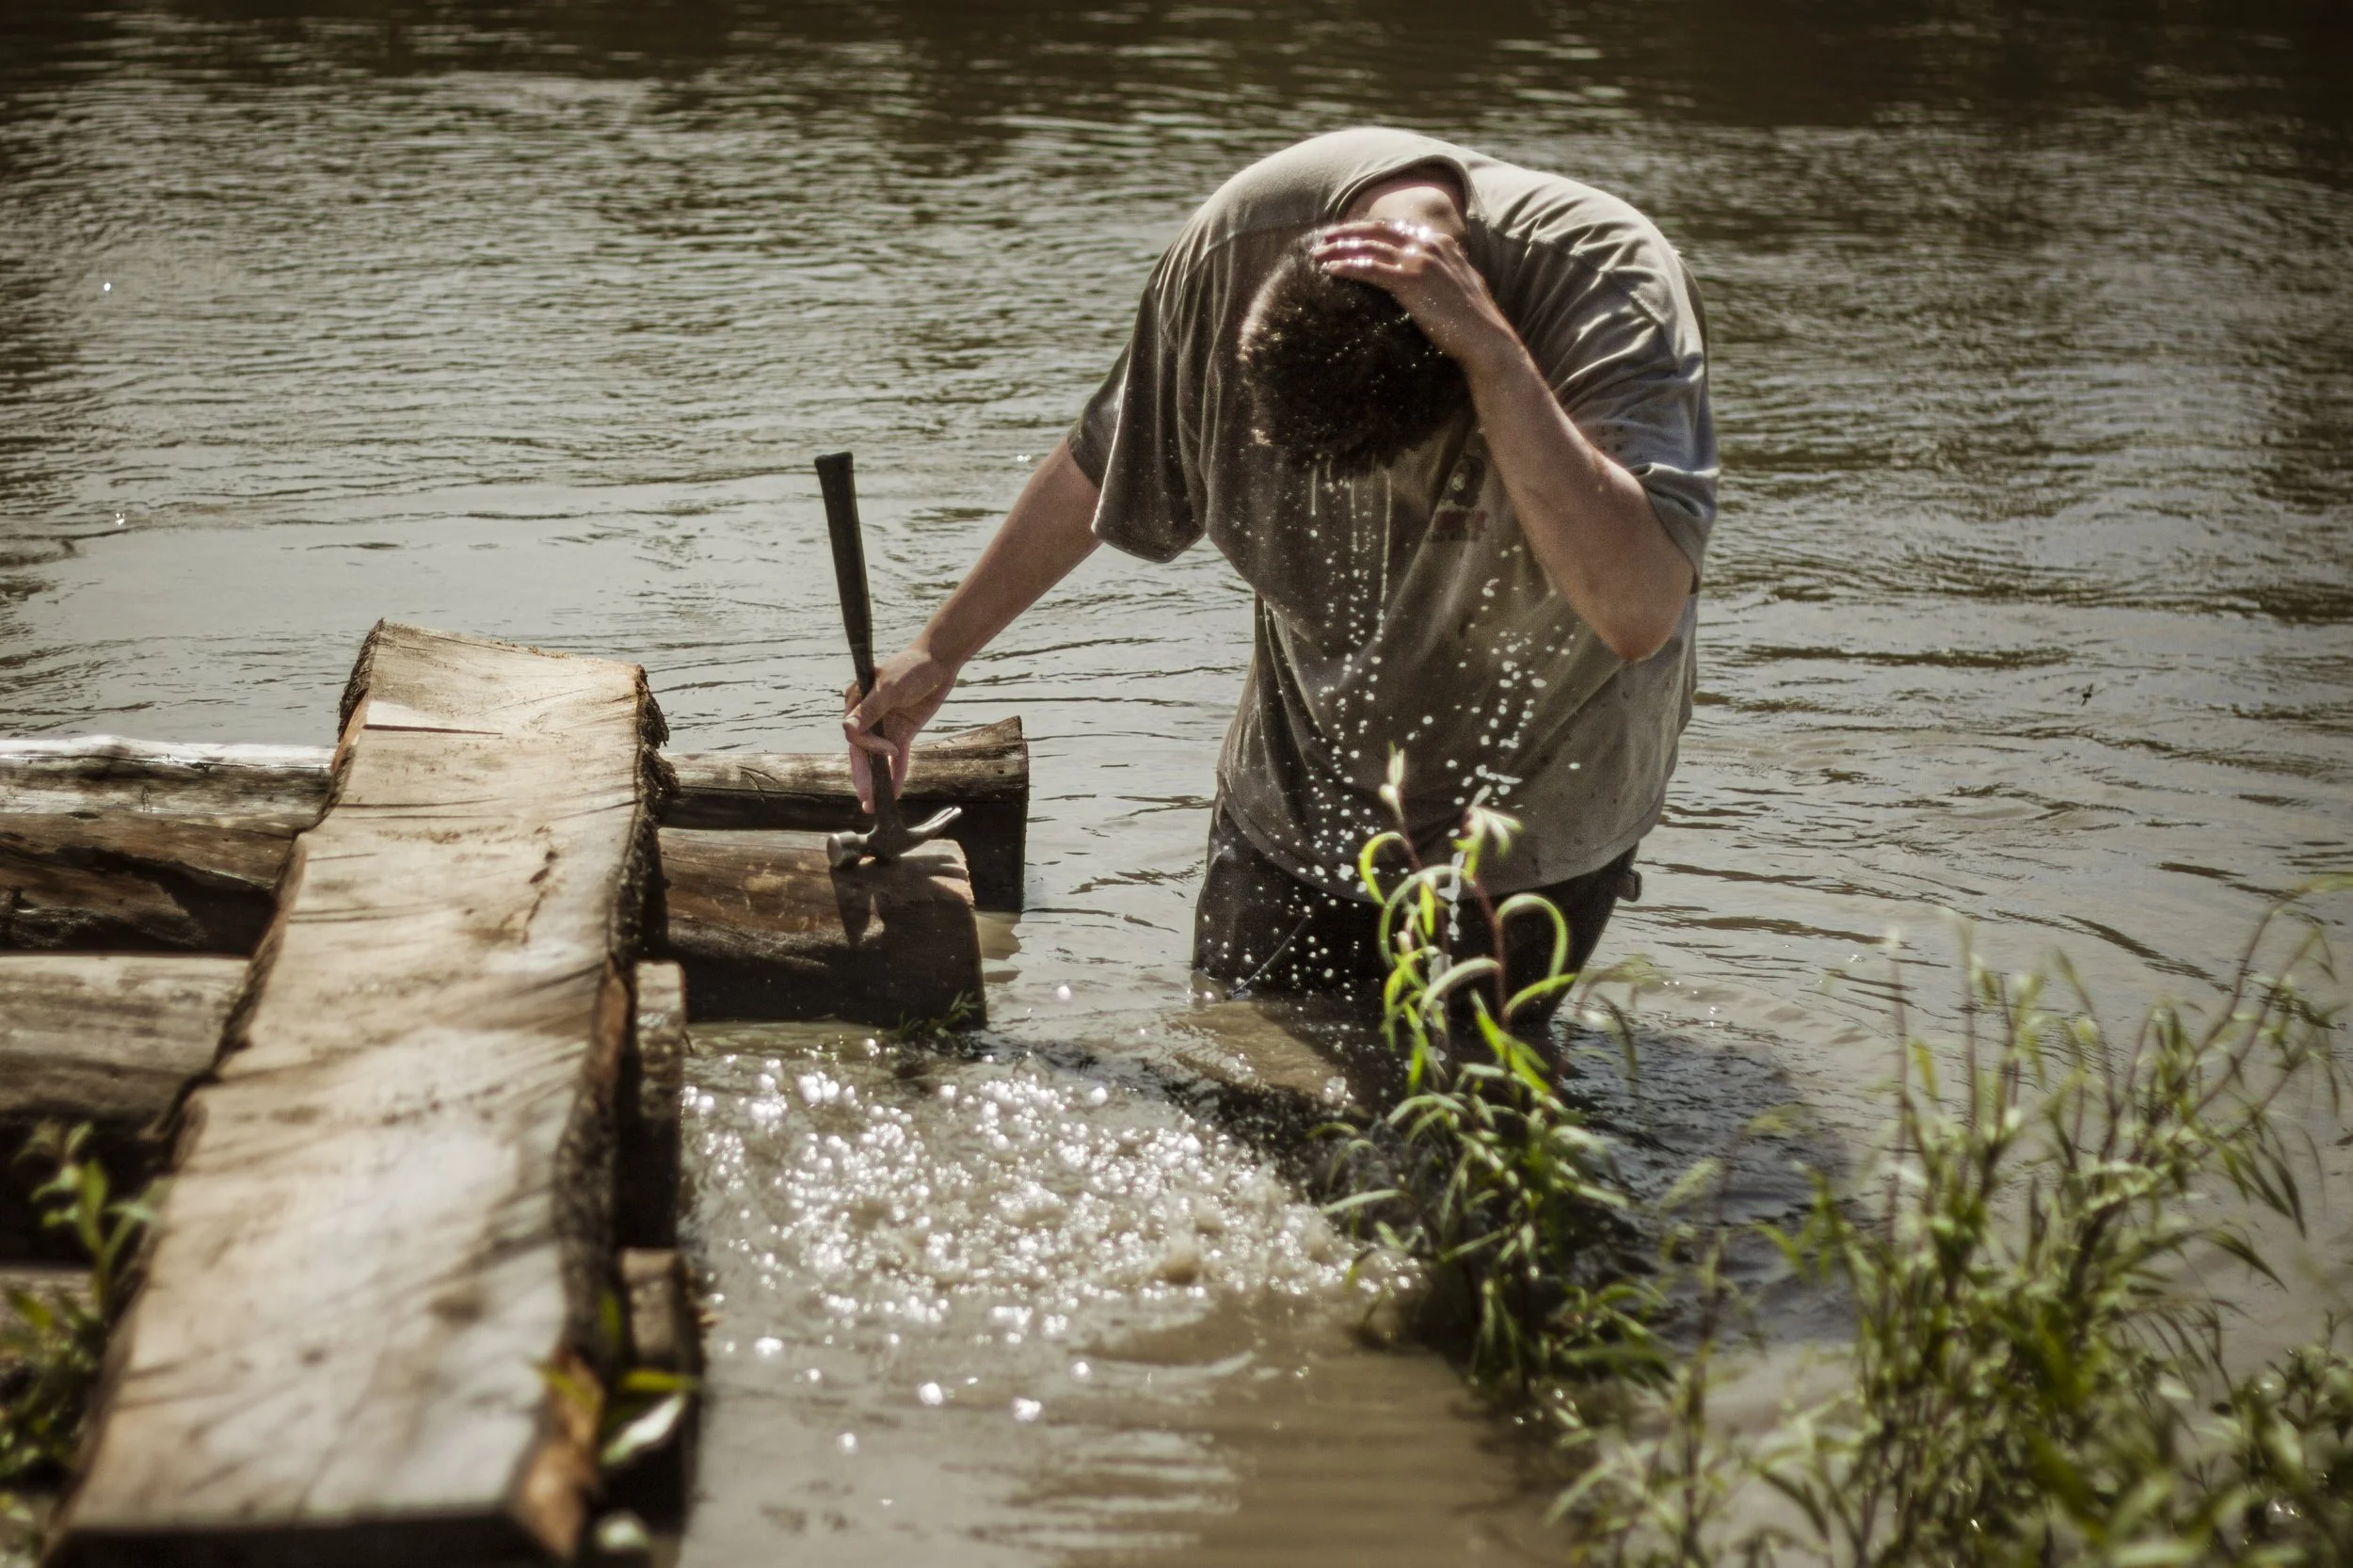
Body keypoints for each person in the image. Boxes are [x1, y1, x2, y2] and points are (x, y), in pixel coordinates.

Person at [845, 127, 1715, 1020]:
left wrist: (1493, 357)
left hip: (1546, 785)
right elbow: (1105, 458)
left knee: (1475, 1087)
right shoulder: (1230, 258)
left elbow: (1638, 608)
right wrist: (938, 653)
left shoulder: (1610, 287)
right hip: (1311, 771)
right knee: (1239, 1046)